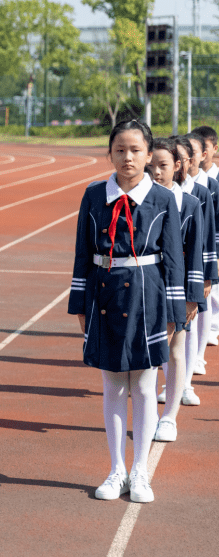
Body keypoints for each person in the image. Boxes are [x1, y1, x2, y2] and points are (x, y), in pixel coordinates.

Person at [68, 119, 185, 504]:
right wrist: (80, 304)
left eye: (136, 150)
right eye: (120, 149)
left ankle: (141, 471)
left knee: (146, 385)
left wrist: (175, 311)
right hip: (104, 296)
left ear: (149, 155)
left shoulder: (164, 199)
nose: (128, 157)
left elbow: (173, 260)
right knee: (113, 384)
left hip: (148, 297)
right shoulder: (92, 195)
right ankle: (116, 468)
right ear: (110, 153)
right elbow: (83, 254)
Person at [149, 137, 205, 443]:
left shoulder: (191, 203)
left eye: (164, 165)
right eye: (153, 165)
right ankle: (150, 413)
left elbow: (195, 250)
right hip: (146, 286)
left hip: (177, 288)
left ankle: (169, 416)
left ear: (178, 166)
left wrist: (194, 293)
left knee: (175, 349)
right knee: (150, 353)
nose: (157, 172)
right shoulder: (142, 200)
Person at [192, 125, 219, 346]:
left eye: (206, 148)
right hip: (193, 248)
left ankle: (211, 329)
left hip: (212, 246)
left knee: (213, 292)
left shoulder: (214, 183)